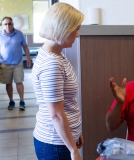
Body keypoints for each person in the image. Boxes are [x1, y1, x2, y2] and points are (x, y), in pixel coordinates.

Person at [31, 2, 84, 160]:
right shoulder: (51, 64)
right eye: (75, 29)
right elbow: (56, 115)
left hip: (61, 140)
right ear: (63, 28)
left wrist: (75, 133)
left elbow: (67, 104)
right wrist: (73, 149)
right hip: (55, 144)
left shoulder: (56, 55)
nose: (77, 35)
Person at [0, 16, 32, 110]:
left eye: (9, 23)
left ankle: (22, 101)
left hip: (18, 63)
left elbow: (25, 47)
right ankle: (11, 101)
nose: (7, 26)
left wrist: (28, 59)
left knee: (19, 82)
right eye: (5, 24)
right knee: (8, 83)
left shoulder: (19, 33)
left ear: (12, 24)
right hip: (4, 64)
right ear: (2, 25)